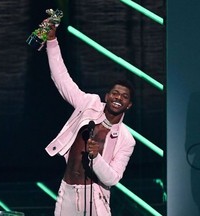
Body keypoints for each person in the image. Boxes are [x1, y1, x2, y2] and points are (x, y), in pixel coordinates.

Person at [44, 24, 136, 216]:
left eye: (124, 96)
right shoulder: (88, 104)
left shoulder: (126, 139)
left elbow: (113, 179)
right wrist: (52, 41)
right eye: (115, 93)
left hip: (95, 196)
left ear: (129, 105)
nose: (118, 98)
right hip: (68, 190)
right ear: (107, 95)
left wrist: (96, 158)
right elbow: (62, 80)